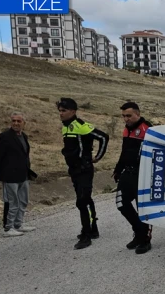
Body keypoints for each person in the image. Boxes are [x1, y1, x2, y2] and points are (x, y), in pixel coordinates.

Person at [57, 98, 109, 250]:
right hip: (73, 170)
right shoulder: (65, 127)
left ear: (73, 111)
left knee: (81, 201)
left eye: (64, 111)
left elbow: (103, 137)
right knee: (86, 199)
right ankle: (93, 229)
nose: (61, 113)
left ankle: (86, 236)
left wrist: (98, 157)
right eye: (59, 111)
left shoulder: (81, 126)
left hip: (84, 169)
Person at [112, 101, 152, 254]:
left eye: (128, 115)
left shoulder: (147, 129)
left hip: (142, 175)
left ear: (138, 114)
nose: (126, 119)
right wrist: (117, 169)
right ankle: (138, 232)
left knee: (142, 208)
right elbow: (124, 152)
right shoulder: (126, 130)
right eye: (123, 116)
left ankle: (145, 239)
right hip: (127, 173)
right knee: (121, 204)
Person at [0, 112, 36, 237]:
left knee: (23, 201)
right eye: (14, 121)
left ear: (24, 123)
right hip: (10, 176)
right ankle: (8, 227)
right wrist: (3, 173)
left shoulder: (24, 136)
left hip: (23, 175)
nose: (16, 123)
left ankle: (18, 224)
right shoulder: (4, 136)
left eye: (19, 121)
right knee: (12, 202)